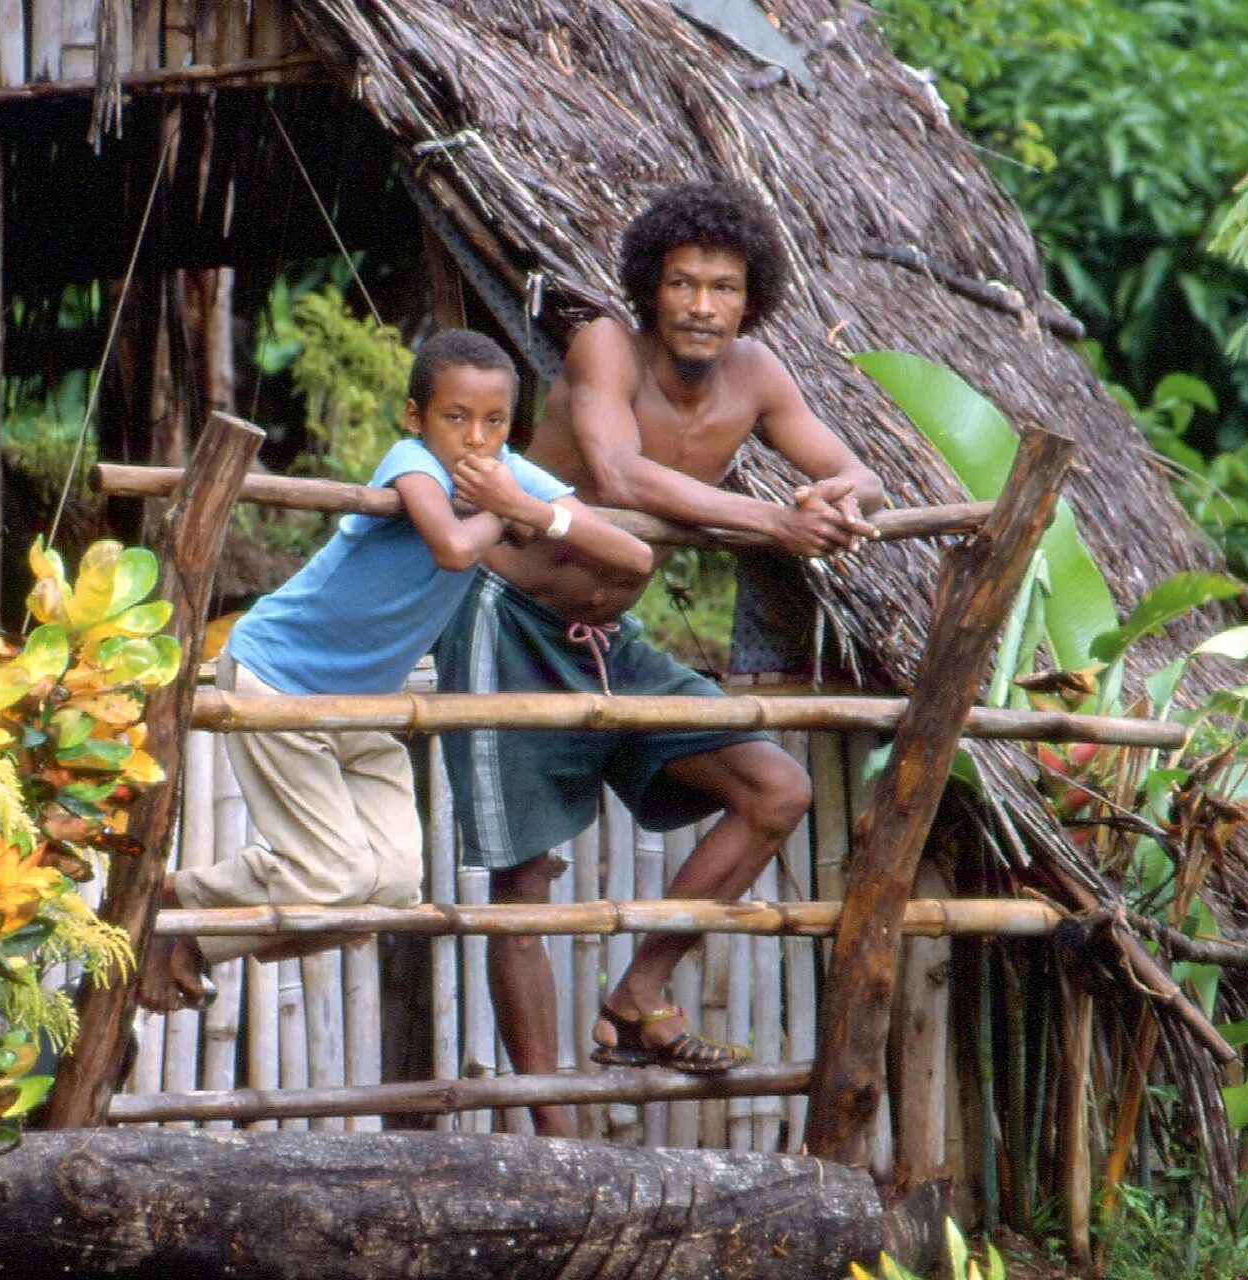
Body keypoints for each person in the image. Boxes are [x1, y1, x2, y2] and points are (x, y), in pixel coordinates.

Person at [435, 181, 884, 1135]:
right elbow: (615, 475)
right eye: (683, 284)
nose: (702, 306)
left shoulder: (759, 377)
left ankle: (639, 990)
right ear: (650, 289)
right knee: (523, 880)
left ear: (750, 298)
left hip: (611, 645)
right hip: (508, 620)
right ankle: (555, 1136)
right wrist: (776, 518)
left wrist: (839, 499)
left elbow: (855, 470)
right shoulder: (606, 344)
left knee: (775, 788)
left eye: (723, 288)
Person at [139, 330, 653, 1012]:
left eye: (494, 422)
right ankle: (171, 900)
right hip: (280, 680)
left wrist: (531, 509)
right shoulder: (409, 462)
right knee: (335, 879)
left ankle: (191, 934)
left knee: (388, 890)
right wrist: (508, 515)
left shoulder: (508, 478)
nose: (476, 438)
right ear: (416, 418)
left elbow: (633, 557)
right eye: (456, 417)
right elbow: (448, 546)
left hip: (363, 707)